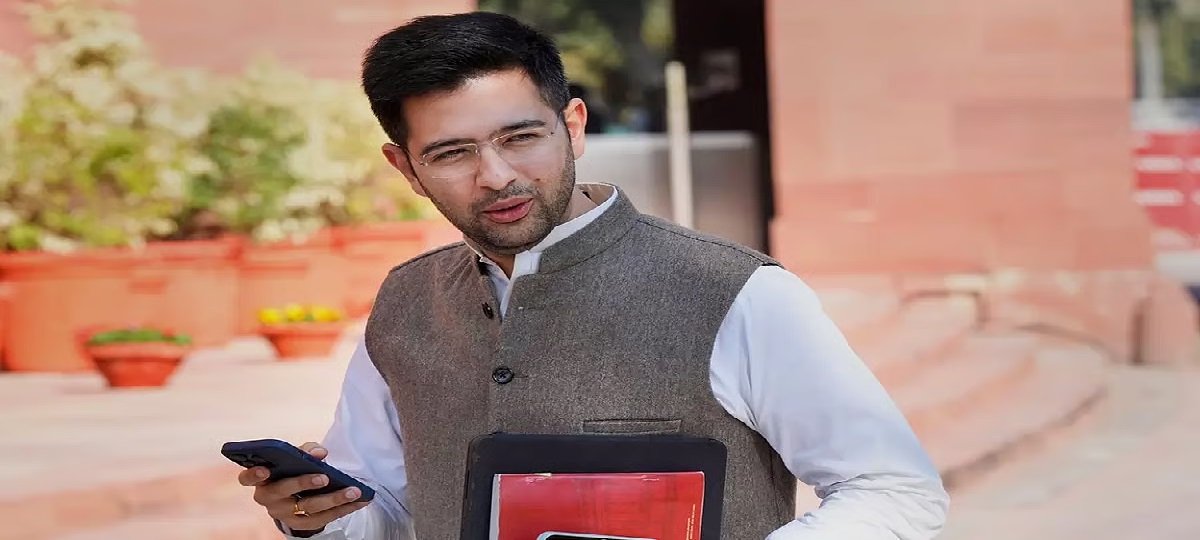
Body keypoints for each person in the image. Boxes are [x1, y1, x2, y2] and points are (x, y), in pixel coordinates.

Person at [236, 11, 949, 540]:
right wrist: (317, 516)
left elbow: (894, 491)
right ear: (406, 168)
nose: (497, 176)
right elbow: (388, 514)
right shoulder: (405, 302)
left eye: (521, 137)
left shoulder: (735, 292)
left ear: (573, 125)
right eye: (452, 153)